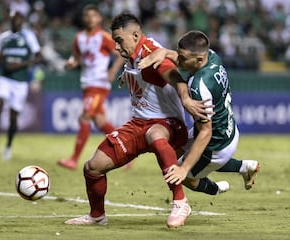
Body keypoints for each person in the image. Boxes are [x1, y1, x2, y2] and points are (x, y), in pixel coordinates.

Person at [64, 13, 192, 228]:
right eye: (114, 41)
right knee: (93, 167)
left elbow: (175, 77)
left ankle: (181, 202)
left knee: (156, 135)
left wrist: (186, 99)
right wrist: (129, 75)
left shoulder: (150, 52)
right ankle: (97, 216)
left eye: (119, 40)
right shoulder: (133, 54)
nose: (116, 47)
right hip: (139, 124)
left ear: (135, 34)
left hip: (169, 123)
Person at [138, 30, 259, 195]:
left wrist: (184, 168)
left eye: (183, 58)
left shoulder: (199, 86)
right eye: (179, 55)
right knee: (173, 152)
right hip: (227, 129)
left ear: (199, 59)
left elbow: (206, 132)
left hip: (215, 146)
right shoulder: (212, 56)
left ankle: (216, 189)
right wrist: (165, 52)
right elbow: (184, 57)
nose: (178, 60)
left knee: (178, 174)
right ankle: (245, 166)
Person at [57, 5, 124, 170]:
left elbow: (121, 54)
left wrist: (113, 70)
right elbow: (78, 58)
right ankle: (125, 151)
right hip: (86, 83)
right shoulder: (78, 37)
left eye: (93, 16)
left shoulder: (104, 37)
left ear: (99, 18)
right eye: (87, 16)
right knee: (100, 121)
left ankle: (73, 159)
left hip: (99, 83)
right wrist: (71, 64)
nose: (90, 19)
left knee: (85, 117)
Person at [0, 10, 43, 161]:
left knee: (13, 116)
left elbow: (38, 56)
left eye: (18, 19)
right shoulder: (4, 37)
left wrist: (23, 64)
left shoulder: (28, 36)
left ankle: (8, 147)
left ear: (22, 20)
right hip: (5, 78)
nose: (15, 21)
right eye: (12, 19)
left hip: (20, 81)